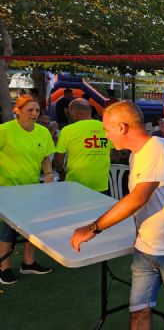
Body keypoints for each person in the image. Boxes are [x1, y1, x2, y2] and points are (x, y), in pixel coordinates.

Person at [70, 101, 164, 329]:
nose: (106, 135)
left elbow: (139, 197)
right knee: (138, 312)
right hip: (146, 246)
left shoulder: (157, 147)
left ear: (122, 127)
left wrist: (93, 228)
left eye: (107, 129)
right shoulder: (137, 153)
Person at [0, 95, 56, 284]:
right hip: (7, 190)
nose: (34, 114)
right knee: (7, 231)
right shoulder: (4, 130)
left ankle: (28, 263)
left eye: (37, 110)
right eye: (29, 110)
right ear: (17, 110)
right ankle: (4, 268)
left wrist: (48, 175)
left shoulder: (43, 132)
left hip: (33, 189)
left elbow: (45, 158)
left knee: (34, 227)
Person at [53, 99, 111, 193]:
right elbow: (114, 153)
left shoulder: (68, 130)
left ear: (73, 111)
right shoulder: (106, 127)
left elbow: (59, 158)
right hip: (101, 184)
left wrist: (61, 172)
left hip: (75, 184)